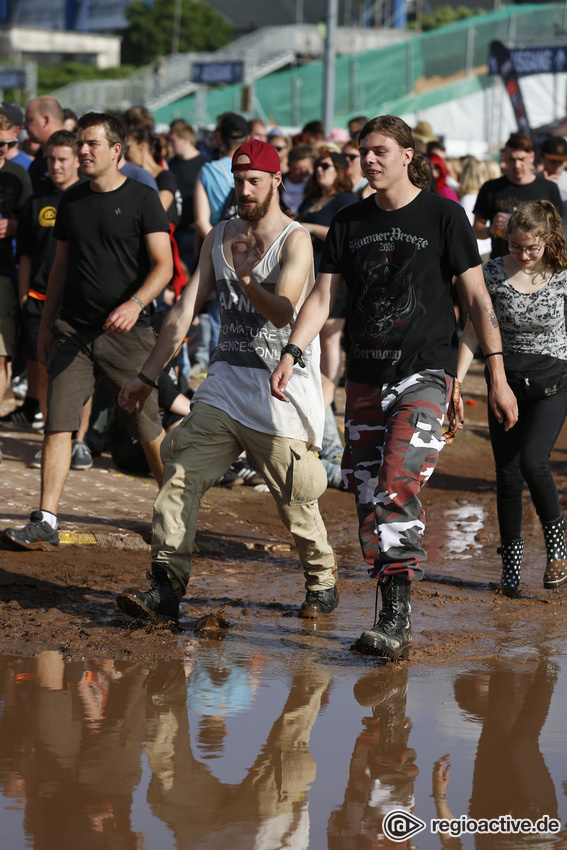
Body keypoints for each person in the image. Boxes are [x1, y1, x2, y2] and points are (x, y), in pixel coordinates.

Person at [270, 115, 518, 661]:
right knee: (365, 498)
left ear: (408, 155)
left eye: (380, 150)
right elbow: (321, 299)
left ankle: (397, 616)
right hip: (363, 379)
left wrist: (495, 376)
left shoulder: (444, 215)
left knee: (393, 484)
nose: (370, 160)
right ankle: (388, 610)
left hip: (425, 374)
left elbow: (478, 301)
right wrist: (292, 352)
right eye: (363, 152)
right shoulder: (348, 221)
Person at [115, 139, 337, 625]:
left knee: (294, 499)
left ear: (277, 181)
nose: (244, 189)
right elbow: (184, 310)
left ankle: (321, 578)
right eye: (238, 180)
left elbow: (283, 311)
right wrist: (146, 378)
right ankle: (166, 587)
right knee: (180, 475)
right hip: (225, 386)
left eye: (254, 180)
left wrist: (247, 280)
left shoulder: (295, 240)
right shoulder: (220, 235)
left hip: (279, 394)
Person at [1, 112, 172, 551]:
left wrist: (135, 304)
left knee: (147, 426)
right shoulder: (72, 200)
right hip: (71, 329)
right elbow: (59, 268)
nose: (83, 151)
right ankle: (46, 518)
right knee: (57, 423)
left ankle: (173, 512)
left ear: (116, 150)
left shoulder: (143, 198)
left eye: (92, 143)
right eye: (81, 143)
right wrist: (46, 326)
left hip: (127, 333)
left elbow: (164, 266)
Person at [457, 201, 567, 595]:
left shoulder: (563, 274)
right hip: (505, 382)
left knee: (534, 462)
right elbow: (472, 332)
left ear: (547, 240)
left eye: (532, 248)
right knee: (506, 475)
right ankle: (511, 569)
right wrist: (455, 382)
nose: (523, 255)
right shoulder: (488, 272)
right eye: (516, 246)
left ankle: (558, 549)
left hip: (553, 381)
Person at [473, 132, 563, 259]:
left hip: (539, 265)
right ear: (504, 157)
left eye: (521, 159)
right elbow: (476, 229)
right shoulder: (491, 188)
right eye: (512, 159)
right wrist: (490, 230)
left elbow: (559, 229)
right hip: (502, 264)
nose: (517, 165)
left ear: (532, 157)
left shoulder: (549, 188)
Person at [0, 112, 32, 417]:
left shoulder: (19, 174)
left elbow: (33, 222)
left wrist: (13, 225)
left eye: (5, 144)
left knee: (0, 356)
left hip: (3, 270)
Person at [23, 97, 64, 190]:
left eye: (29, 119)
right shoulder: (39, 156)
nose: (24, 126)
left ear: (46, 121)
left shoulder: (74, 154)